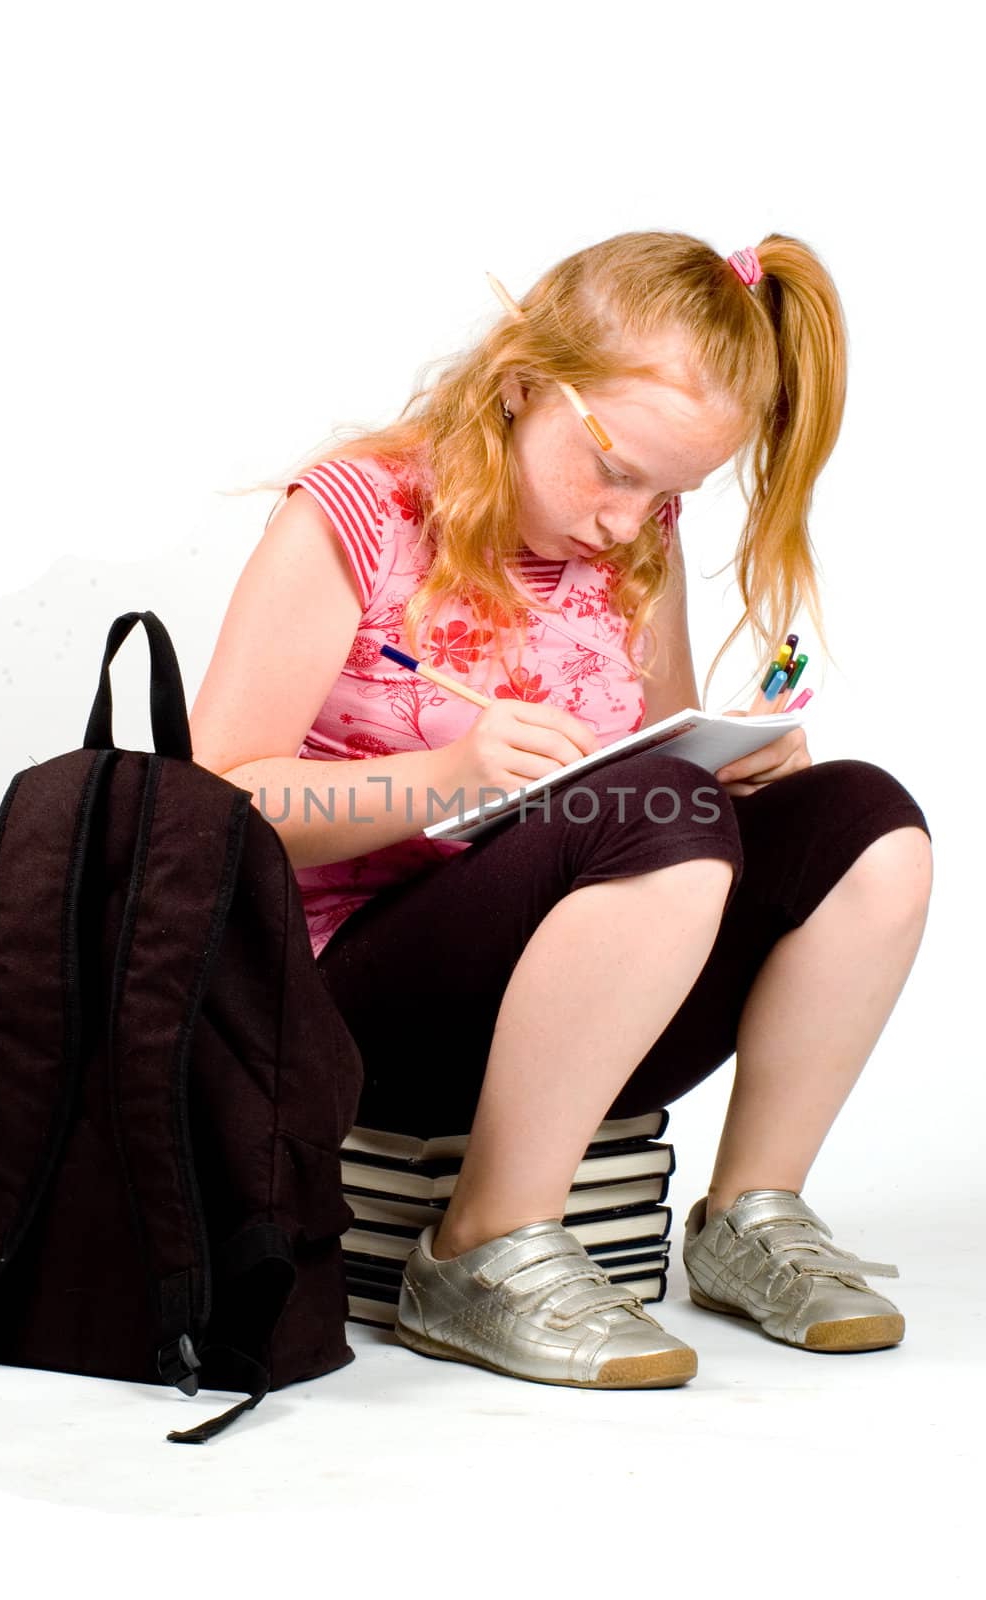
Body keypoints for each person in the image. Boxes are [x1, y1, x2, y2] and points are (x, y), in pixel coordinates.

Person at [189, 230, 933, 1391]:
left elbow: (665, 783)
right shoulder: (358, 512)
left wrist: (736, 766)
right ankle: (481, 1242)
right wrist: (443, 780)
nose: (630, 522)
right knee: (658, 819)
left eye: (671, 493)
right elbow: (216, 801)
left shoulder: (639, 547)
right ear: (526, 379)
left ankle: (746, 1210)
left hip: (585, 1007)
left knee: (866, 827)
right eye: (617, 471)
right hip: (352, 1008)